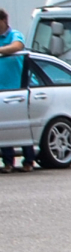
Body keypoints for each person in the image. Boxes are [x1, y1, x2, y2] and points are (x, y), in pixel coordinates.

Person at [0, 13, 25, 171]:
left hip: (19, 90)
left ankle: (28, 160)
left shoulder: (14, 34)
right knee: (4, 127)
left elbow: (17, 46)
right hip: (2, 92)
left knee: (22, 126)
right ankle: (8, 162)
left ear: (3, 21)